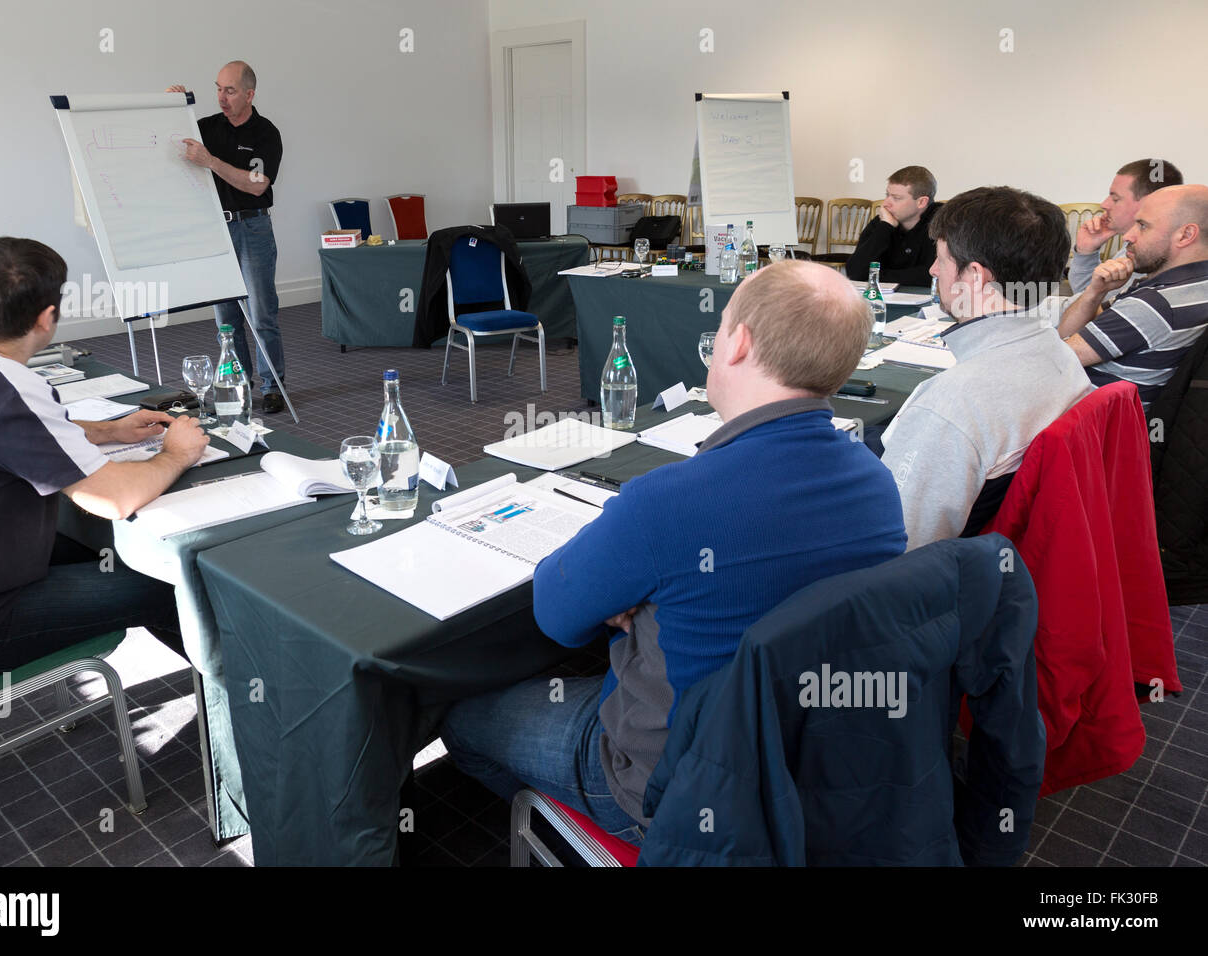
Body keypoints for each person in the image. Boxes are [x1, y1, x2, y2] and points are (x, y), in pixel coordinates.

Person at [440, 261, 908, 843]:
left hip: (671, 791)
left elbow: (556, 617)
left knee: (460, 720)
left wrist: (633, 598)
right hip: (813, 762)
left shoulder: (668, 501)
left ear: (735, 342)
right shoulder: (876, 482)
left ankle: (577, 836)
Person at [0, 237, 209, 675]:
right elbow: (113, 499)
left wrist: (109, 430)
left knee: (96, 547)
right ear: (47, 318)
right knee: (176, 583)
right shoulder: (9, 388)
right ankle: (245, 720)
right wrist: (177, 454)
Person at [879, 187, 1094, 551]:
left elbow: (899, 545)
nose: (933, 270)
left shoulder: (950, 408)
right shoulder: (1061, 357)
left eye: (941, 260)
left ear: (975, 276)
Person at [167, 61, 286, 414]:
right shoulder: (207, 127)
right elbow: (175, 139)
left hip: (252, 227)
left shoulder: (266, 133)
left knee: (261, 312)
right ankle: (239, 382)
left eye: (230, 90)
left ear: (249, 94)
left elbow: (256, 184)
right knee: (226, 318)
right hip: (217, 228)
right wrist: (171, 108)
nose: (222, 97)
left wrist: (211, 161)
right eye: (218, 88)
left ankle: (274, 385)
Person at [1058, 184, 1208, 406]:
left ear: (1186, 235)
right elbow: (1067, 333)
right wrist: (1096, 291)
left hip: (1086, 424)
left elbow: (1055, 360)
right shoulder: (1191, 286)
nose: (1128, 236)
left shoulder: (1153, 304)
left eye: (1142, 226)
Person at [1069, 158, 1183, 295]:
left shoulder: (1150, 251)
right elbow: (1087, 297)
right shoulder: (1134, 241)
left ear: (1150, 202)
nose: (1104, 204)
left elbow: (1089, 308)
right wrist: (1086, 252)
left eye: (1115, 198)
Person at [845, 166, 942, 285]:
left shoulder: (943, 223)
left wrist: (876, 275)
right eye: (887, 195)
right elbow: (854, 272)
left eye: (896, 198)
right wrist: (885, 227)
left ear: (921, 202)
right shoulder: (884, 222)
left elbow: (931, 275)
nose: (885, 204)